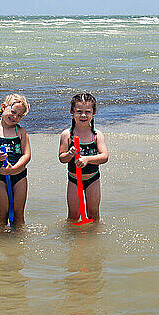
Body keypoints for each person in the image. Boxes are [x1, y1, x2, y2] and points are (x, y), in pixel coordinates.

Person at [0, 93, 31, 227]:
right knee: (2, 215)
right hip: (0, 178)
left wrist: (15, 168)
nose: (15, 117)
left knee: (18, 215)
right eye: (13, 112)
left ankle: (19, 244)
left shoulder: (21, 132)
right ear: (4, 107)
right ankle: (2, 244)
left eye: (20, 115)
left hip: (19, 177)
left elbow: (27, 155)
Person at [58, 93, 108, 222]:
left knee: (93, 214)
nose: (83, 115)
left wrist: (87, 159)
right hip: (74, 179)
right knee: (73, 216)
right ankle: (72, 240)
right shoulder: (67, 135)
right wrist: (70, 154)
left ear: (94, 113)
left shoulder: (97, 135)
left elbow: (104, 156)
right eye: (79, 111)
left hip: (93, 179)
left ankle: (94, 240)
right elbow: (62, 158)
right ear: (72, 112)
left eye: (88, 112)